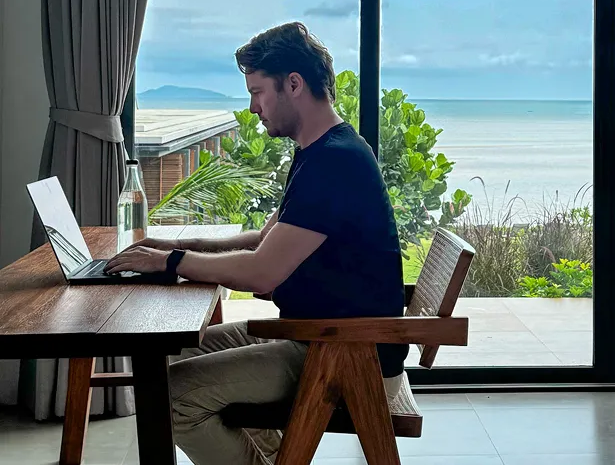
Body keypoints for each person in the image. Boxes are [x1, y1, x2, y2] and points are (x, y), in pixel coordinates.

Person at [106, 23, 407, 465]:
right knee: (170, 355)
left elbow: (263, 272)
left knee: (171, 396)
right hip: (316, 335)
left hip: (344, 353)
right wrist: (167, 245)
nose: (253, 107)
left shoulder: (335, 162)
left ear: (293, 84)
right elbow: (263, 240)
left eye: (258, 92)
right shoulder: (320, 151)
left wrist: (171, 262)